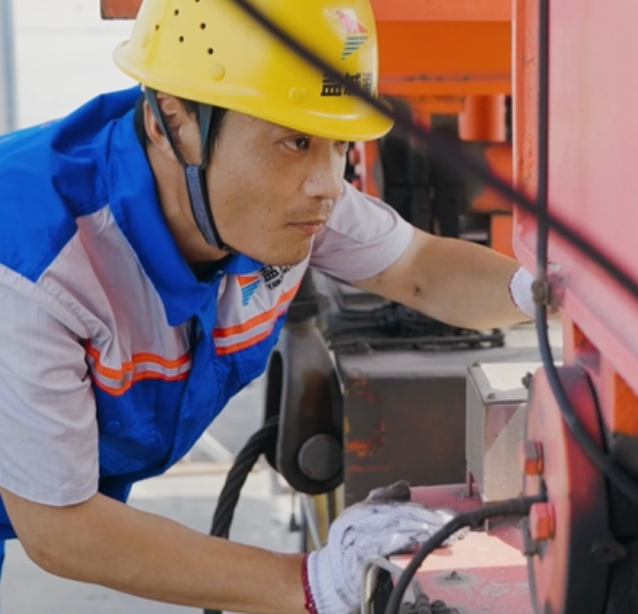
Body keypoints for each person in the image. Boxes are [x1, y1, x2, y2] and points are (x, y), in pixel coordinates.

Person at [0, 0, 541, 612]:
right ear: (172, 122)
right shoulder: (33, 264)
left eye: (339, 145)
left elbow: (418, 268)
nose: (327, 184)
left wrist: (544, 293)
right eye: (296, 141)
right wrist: (312, 581)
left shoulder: (275, 195)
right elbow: (61, 528)